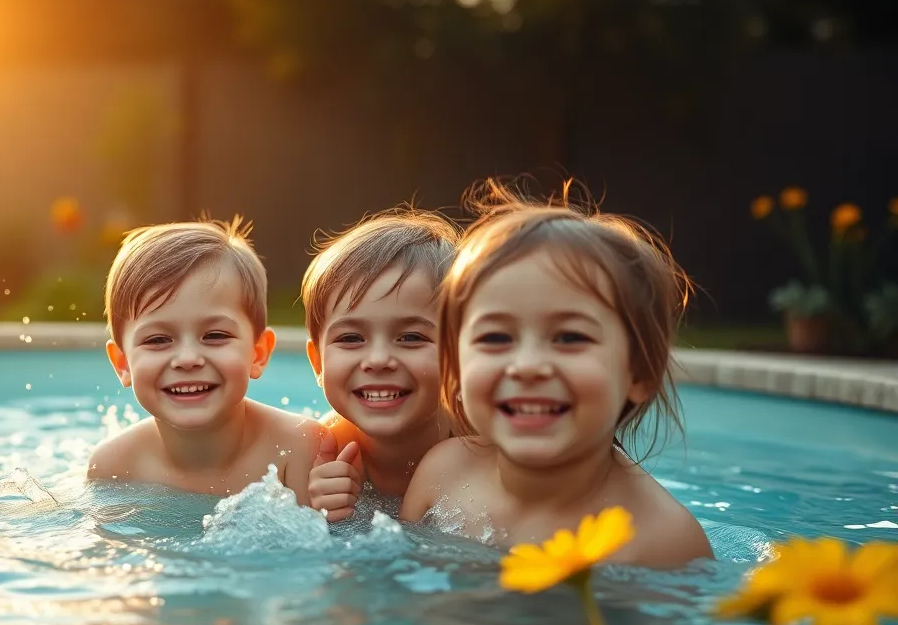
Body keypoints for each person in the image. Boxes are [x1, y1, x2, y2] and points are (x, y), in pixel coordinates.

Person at [400, 183, 712, 568]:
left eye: (569, 337)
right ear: (456, 367)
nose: (528, 366)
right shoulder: (442, 472)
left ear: (641, 372)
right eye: (496, 337)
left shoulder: (661, 540)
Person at [88, 217, 323, 501]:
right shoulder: (114, 467)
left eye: (215, 336)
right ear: (122, 364)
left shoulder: (300, 448)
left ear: (258, 353)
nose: (187, 359)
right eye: (158, 340)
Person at [301, 207, 460, 521]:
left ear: (458, 354)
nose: (377, 361)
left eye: (411, 337)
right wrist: (317, 508)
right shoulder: (323, 451)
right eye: (350, 339)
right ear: (317, 362)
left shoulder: (480, 441)